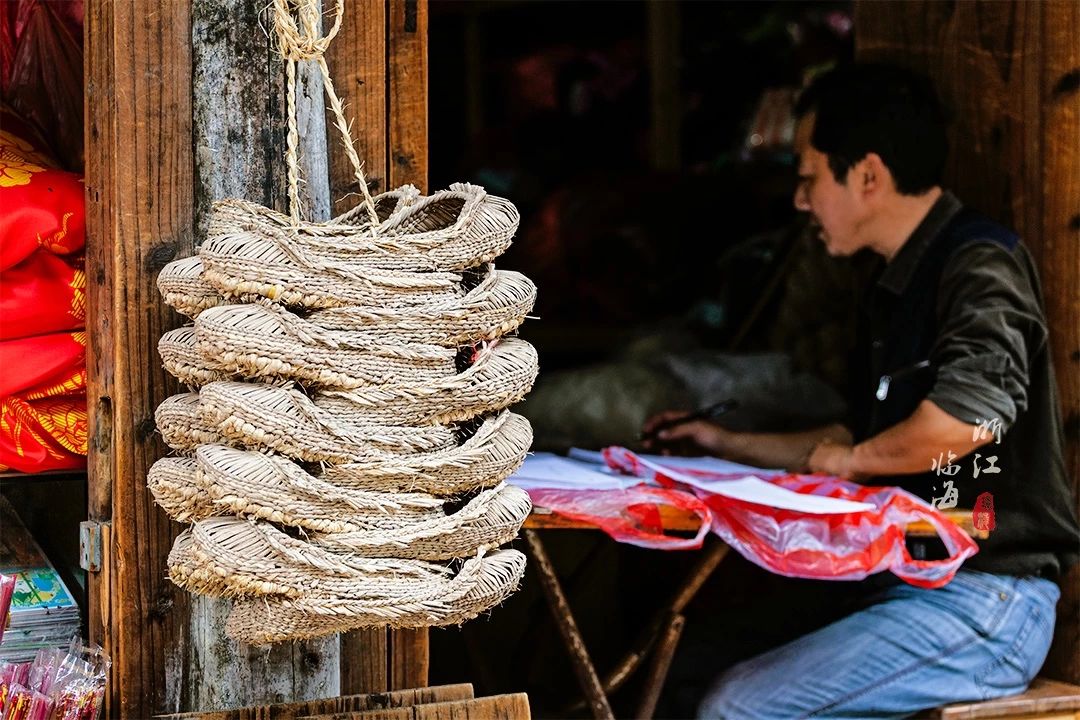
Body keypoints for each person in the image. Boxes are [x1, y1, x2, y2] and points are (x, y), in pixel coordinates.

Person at [643, 64, 1080, 718]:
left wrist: (846, 463)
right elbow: (857, 440)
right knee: (684, 661)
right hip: (905, 587)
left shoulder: (978, 263)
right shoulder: (893, 285)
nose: (799, 201)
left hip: (986, 602)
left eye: (808, 177)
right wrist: (721, 441)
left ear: (868, 176)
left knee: (736, 708)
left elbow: (968, 419)